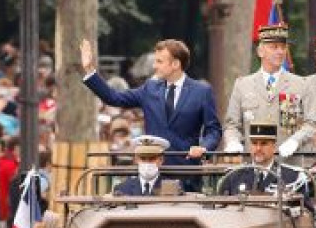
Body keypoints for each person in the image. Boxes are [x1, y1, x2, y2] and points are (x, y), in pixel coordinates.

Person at [81, 38, 221, 164]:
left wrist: (203, 147)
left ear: (176, 64)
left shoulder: (202, 91)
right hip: (152, 171)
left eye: (159, 61)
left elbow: (214, 130)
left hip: (187, 170)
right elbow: (113, 97)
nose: (154, 66)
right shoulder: (150, 88)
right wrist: (89, 70)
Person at [222, 24, 304, 152]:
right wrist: (233, 141)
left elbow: (311, 123)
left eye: (283, 47)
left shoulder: (300, 84)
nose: (280, 52)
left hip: (288, 163)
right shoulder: (243, 85)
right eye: (274, 47)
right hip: (254, 161)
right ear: (260, 52)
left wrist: (296, 140)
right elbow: (232, 125)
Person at [218, 122, 309, 197]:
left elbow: (306, 213)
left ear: (274, 147)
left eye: (264, 144)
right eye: (254, 143)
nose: (258, 148)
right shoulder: (234, 176)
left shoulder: (292, 177)